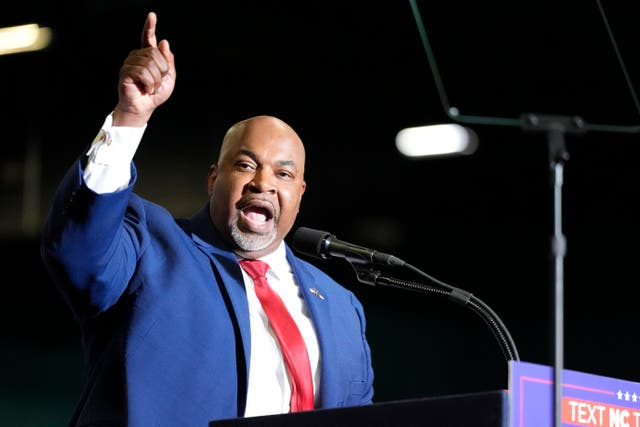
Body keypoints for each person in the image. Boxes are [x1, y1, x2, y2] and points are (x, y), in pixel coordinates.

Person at [40, 11, 374, 427]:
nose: (263, 183)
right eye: (246, 165)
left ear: (299, 194)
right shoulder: (150, 244)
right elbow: (78, 252)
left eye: (283, 173)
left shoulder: (342, 306)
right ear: (214, 178)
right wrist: (130, 118)